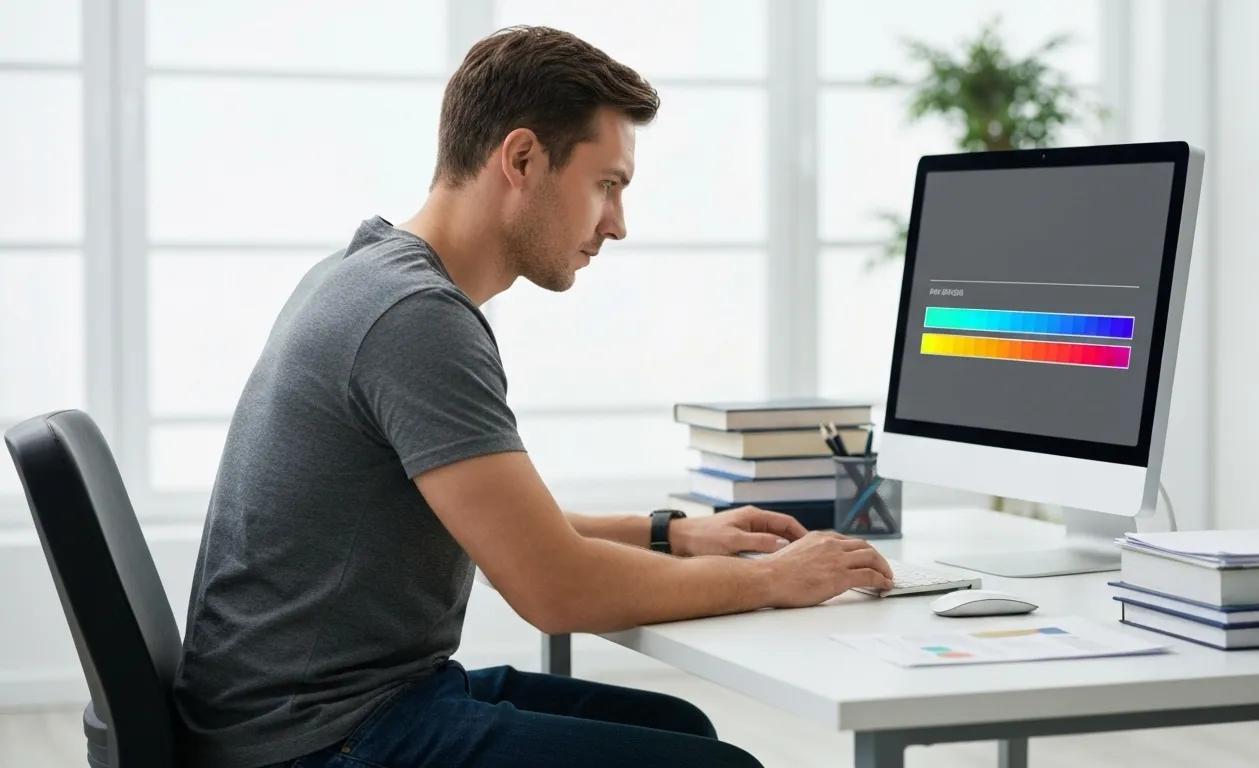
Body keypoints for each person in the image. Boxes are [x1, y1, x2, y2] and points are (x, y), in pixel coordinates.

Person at [172, 25, 894, 768]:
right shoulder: (413, 318)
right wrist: (773, 580)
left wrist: (667, 534)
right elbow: (554, 588)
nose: (617, 224)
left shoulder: (367, 273)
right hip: (315, 741)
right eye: (606, 185)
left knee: (684, 732)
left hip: (329, 709)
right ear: (521, 159)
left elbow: (508, 530)